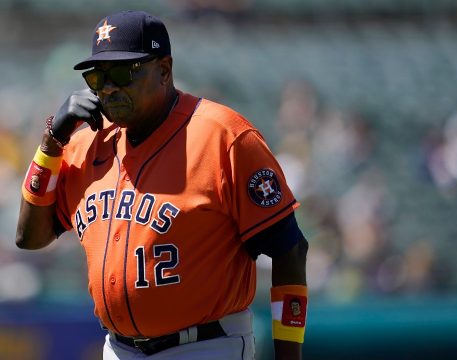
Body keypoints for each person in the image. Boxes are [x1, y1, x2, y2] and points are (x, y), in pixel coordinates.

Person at [16, 10, 309, 360]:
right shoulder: (83, 143)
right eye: (98, 77)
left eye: (123, 72)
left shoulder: (223, 137)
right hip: (119, 348)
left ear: (164, 70)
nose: (109, 87)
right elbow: (29, 238)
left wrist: (290, 356)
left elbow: (289, 249)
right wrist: (51, 142)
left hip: (206, 345)